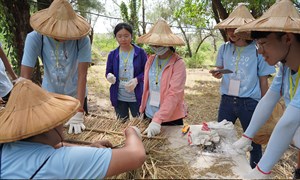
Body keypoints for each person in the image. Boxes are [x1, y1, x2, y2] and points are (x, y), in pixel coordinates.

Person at [0, 79, 146, 179]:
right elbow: (136, 155)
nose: (62, 123)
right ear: (48, 126)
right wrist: (131, 131)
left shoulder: (5, 148)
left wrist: (90, 148)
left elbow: (52, 146)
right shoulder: (60, 161)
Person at [232, 0, 300, 178]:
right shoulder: (285, 68)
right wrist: (247, 136)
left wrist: (262, 170)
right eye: (257, 45)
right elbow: (269, 99)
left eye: (263, 43)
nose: (260, 51)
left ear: (287, 38)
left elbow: (289, 121)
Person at [210, 4, 276, 169]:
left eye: (236, 28)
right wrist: (218, 72)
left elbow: (263, 80)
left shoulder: (257, 50)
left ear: (246, 30)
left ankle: (256, 171)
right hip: (226, 101)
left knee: (253, 141)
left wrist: (265, 107)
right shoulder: (224, 48)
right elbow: (220, 68)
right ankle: (222, 169)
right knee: (220, 137)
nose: (231, 32)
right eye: (228, 28)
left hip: (250, 103)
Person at [20, 0, 91, 134]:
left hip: (76, 96)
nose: (62, 34)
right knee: (52, 136)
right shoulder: (35, 38)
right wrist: (25, 107)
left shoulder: (82, 39)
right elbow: (25, 77)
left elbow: (82, 75)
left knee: (76, 135)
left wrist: (79, 109)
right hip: (49, 96)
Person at [137, 18, 187, 138]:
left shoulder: (178, 63)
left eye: (159, 42)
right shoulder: (151, 59)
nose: (155, 45)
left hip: (170, 118)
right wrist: (142, 109)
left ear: (168, 43)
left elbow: (174, 93)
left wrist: (158, 119)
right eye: (153, 42)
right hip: (149, 114)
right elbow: (147, 88)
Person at [105, 22, 147, 121]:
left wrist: (137, 80)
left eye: (126, 36)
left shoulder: (140, 53)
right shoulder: (112, 54)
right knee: (122, 123)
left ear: (131, 36)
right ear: (115, 37)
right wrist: (109, 76)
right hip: (119, 96)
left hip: (136, 95)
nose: (123, 39)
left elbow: (146, 71)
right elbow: (108, 71)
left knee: (140, 123)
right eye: (119, 36)